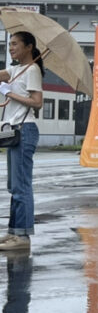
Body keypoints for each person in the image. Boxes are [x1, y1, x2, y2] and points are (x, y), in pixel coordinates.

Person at [0, 32, 44, 251]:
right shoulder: (16, 70)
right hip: (12, 130)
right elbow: (1, 76)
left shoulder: (33, 70)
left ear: (29, 46)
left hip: (25, 130)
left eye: (15, 44)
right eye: (10, 44)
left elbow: (37, 103)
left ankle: (23, 237)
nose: (11, 48)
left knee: (22, 186)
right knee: (13, 185)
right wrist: (6, 86)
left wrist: (10, 93)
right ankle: (13, 233)